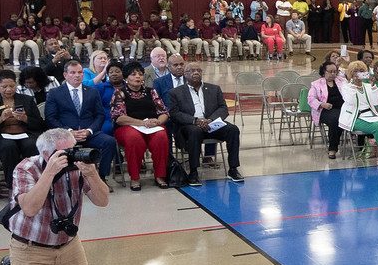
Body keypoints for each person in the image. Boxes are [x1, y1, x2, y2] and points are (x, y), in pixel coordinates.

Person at [0, 127, 111, 265]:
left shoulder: (79, 167)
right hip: (31, 245)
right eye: (64, 153)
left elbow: (102, 201)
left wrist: (92, 174)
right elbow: (30, 208)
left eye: (73, 150)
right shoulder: (26, 168)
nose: (71, 157)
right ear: (46, 154)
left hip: (67, 243)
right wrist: (49, 173)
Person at [167, 62, 242, 185]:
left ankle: (233, 169)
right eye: (192, 71)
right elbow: (175, 113)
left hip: (211, 124)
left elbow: (223, 108)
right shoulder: (175, 92)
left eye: (198, 70)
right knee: (195, 131)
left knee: (233, 129)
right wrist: (196, 121)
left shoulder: (214, 89)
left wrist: (211, 120)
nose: (196, 73)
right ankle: (193, 171)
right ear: (185, 74)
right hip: (190, 126)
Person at [44, 60, 119, 177]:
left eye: (80, 72)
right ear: (65, 75)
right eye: (72, 72)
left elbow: (100, 115)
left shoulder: (92, 92)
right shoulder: (54, 93)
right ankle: (64, 179)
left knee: (109, 142)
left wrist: (89, 130)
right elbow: (50, 118)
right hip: (65, 134)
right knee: (54, 147)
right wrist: (69, 132)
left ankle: (101, 177)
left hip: (88, 133)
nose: (77, 75)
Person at [110, 63, 172, 191]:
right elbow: (119, 118)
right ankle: (135, 177)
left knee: (161, 136)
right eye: (133, 74)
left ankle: (160, 175)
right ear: (126, 78)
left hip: (151, 126)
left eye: (140, 74)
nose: (138, 77)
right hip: (127, 127)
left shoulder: (151, 91)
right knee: (134, 138)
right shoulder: (119, 93)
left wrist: (157, 122)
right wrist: (142, 123)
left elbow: (164, 112)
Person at [0, 70, 42, 194]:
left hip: (24, 133)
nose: (8, 89)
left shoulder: (27, 100)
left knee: (31, 144)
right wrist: (0, 119)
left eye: (12, 86)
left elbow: (39, 123)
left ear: (16, 85)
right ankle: (13, 185)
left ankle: (33, 181)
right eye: (4, 86)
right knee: (8, 146)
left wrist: (25, 118)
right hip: (0, 135)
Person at [341, 61, 378, 167]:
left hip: (370, 115)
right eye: (356, 71)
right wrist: (354, 85)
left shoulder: (367, 86)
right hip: (355, 117)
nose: (359, 73)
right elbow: (351, 100)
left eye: (361, 71)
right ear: (351, 73)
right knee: (377, 127)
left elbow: (377, 102)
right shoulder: (346, 87)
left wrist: (373, 87)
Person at [309, 56, 351, 159]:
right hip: (324, 110)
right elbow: (311, 99)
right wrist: (322, 104)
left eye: (335, 72)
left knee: (342, 117)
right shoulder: (316, 84)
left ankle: (361, 142)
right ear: (324, 72)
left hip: (342, 109)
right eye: (330, 72)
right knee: (336, 119)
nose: (333, 74)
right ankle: (332, 148)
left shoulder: (342, 81)